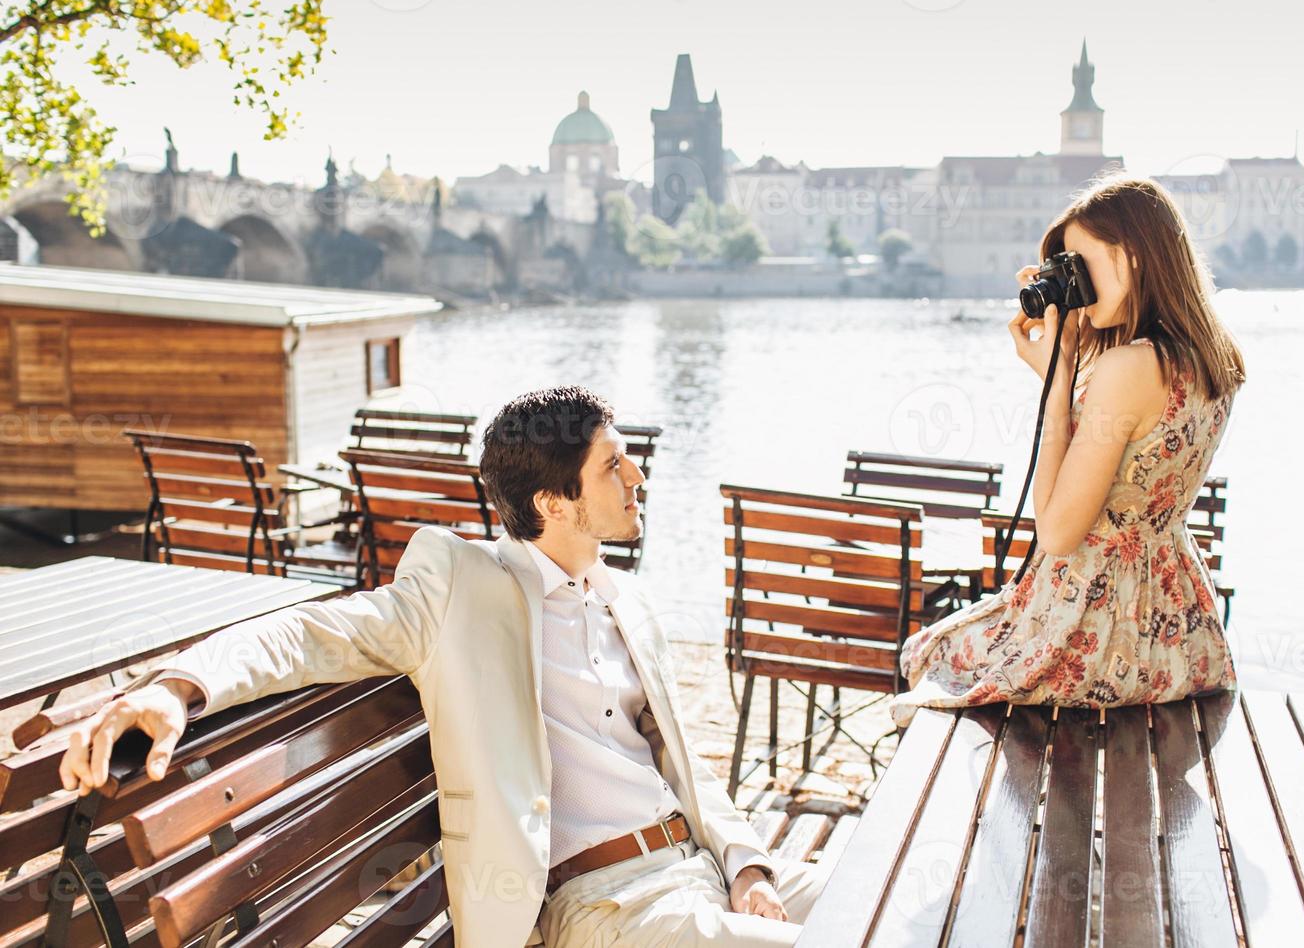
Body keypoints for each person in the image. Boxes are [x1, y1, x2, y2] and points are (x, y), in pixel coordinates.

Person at [59, 386, 828, 947]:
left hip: (701, 866)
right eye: (613, 467)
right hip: (605, 908)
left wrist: (749, 868)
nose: (639, 481)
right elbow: (308, 632)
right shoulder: (460, 586)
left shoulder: (625, 600)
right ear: (553, 503)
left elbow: (690, 771)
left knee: (929, 911)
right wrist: (173, 688)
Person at [894, 175, 1246, 725]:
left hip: (1096, 634)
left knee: (928, 654)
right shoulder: (1208, 355)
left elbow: (1057, 534)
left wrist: (1057, 385)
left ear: (1129, 259)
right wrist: (1072, 359)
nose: (1074, 283)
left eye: (1080, 264)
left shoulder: (1129, 367)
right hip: (1180, 632)